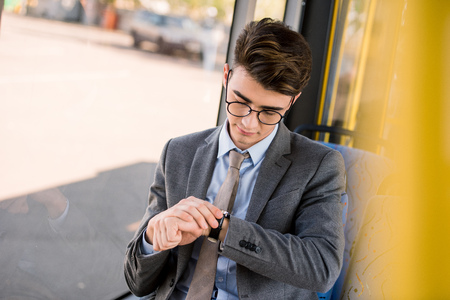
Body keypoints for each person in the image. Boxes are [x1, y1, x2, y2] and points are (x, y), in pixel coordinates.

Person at [124, 18, 345, 300]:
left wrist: (222, 229)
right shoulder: (178, 153)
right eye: (239, 102)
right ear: (226, 76)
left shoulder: (318, 165)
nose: (249, 124)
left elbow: (321, 268)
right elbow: (136, 282)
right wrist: (152, 237)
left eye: (269, 112)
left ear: (292, 101)